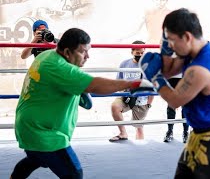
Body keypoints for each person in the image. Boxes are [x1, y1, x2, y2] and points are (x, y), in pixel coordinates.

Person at [10, 28, 154, 179]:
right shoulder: (61, 69)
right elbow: (96, 85)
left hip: (27, 127)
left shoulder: (47, 55)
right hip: (44, 133)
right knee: (74, 173)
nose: (88, 56)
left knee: (36, 158)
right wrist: (133, 84)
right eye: (83, 52)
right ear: (67, 52)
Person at [140, 8, 210, 178]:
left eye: (171, 40)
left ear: (186, 37)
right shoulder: (196, 50)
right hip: (199, 134)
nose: (170, 44)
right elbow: (169, 71)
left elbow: (174, 100)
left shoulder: (200, 69)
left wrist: (155, 78)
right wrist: (165, 51)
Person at [109, 40, 154, 142]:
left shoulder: (149, 65)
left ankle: (140, 149)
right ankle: (123, 133)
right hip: (126, 95)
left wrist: (149, 104)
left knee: (139, 127)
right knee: (115, 106)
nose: (140, 55)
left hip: (142, 100)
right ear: (132, 51)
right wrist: (123, 93)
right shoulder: (124, 64)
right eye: (137, 53)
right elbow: (118, 81)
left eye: (142, 53)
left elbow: (153, 86)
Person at [163, 74, 189, 143]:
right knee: (171, 106)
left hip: (184, 78)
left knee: (185, 107)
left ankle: (185, 132)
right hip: (171, 78)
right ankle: (170, 131)